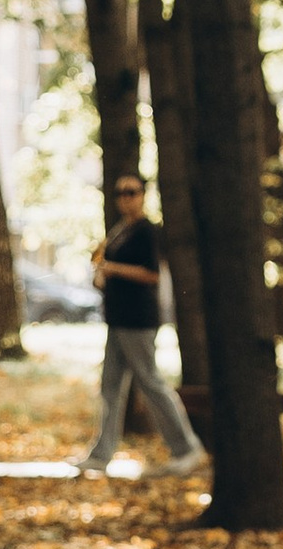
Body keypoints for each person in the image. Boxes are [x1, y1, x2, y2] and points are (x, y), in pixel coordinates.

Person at [81, 172, 206, 480]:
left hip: (138, 321)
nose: (126, 197)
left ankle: (187, 449)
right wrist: (102, 276)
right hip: (117, 320)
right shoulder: (120, 230)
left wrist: (113, 268)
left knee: (151, 383)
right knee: (110, 388)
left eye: (132, 191)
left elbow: (152, 274)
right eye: (120, 192)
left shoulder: (147, 231)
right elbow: (106, 269)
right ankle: (100, 456)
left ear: (143, 194)